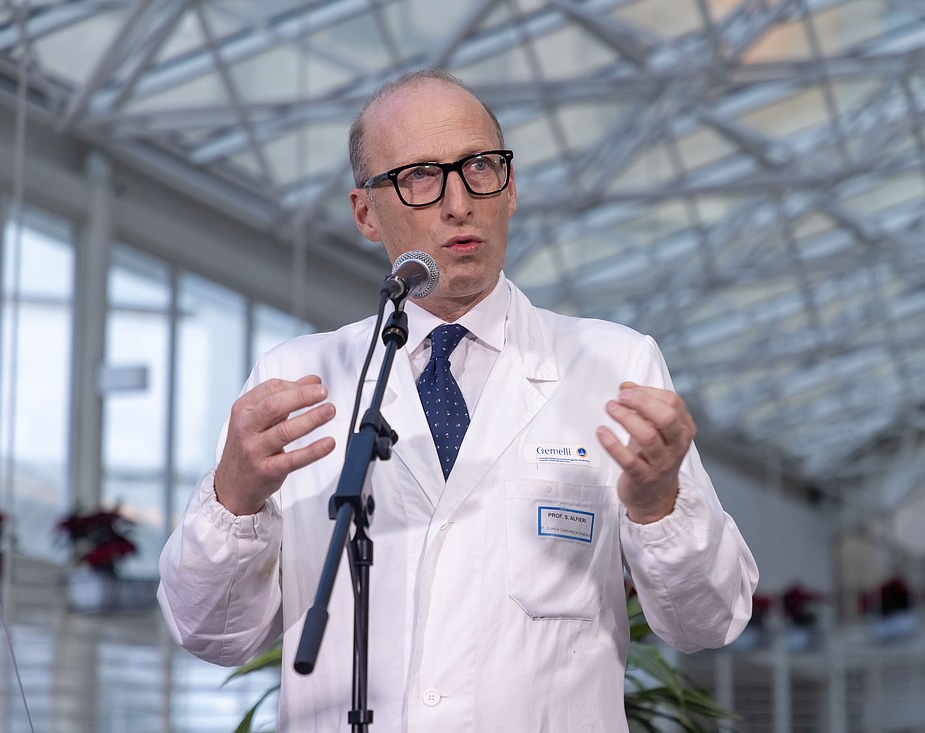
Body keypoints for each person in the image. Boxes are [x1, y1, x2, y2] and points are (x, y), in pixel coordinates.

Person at [158, 69, 757, 733]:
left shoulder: (615, 366)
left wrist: (658, 506)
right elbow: (211, 634)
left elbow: (710, 619)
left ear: (511, 191)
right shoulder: (296, 380)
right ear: (364, 213)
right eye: (420, 176)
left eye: (479, 168)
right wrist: (233, 498)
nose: (458, 203)